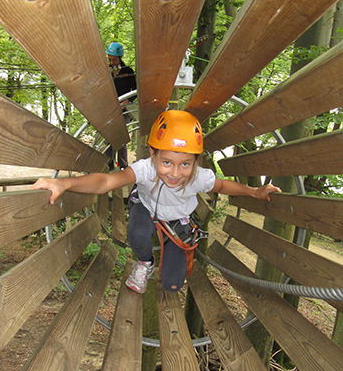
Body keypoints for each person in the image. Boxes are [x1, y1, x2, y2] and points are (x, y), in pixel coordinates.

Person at [30, 110, 281, 294]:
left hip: (177, 219)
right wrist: (65, 184)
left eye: (185, 163)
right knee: (138, 232)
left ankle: (172, 251)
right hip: (146, 207)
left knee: (173, 285)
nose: (175, 173)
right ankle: (145, 262)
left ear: (195, 161)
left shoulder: (198, 178)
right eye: (167, 162)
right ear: (153, 154)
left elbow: (224, 185)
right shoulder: (146, 170)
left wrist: (254, 192)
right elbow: (106, 182)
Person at [106, 42, 137, 170]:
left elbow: (135, 90)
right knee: (108, 137)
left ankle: (123, 165)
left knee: (122, 137)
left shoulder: (128, 72)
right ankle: (108, 164)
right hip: (108, 109)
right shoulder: (106, 71)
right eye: (110, 59)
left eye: (114, 59)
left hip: (124, 110)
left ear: (120, 58)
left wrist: (126, 102)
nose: (112, 62)